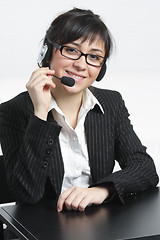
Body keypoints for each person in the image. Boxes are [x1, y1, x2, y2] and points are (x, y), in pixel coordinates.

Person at [0, 8, 159, 213]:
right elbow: (26, 194)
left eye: (94, 57)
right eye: (72, 50)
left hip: (100, 226)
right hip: (40, 229)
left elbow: (145, 168)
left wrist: (101, 190)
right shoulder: (12, 111)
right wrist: (40, 112)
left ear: (101, 69)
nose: (81, 64)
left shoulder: (111, 103)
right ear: (47, 52)